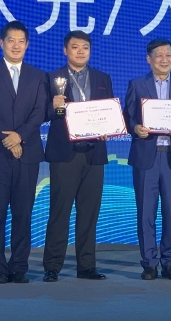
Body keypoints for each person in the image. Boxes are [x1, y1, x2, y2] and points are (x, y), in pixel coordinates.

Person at [0, 20, 47, 284]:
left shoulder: (38, 76)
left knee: (23, 213)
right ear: (1, 43)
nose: (16, 45)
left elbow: (39, 112)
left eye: (21, 41)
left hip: (28, 153)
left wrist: (19, 137)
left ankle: (19, 266)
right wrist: (8, 139)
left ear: (27, 45)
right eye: (11, 40)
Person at [42, 30, 114, 282]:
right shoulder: (52, 78)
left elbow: (109, 113)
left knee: (89, 212)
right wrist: (53, 107)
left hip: (94, 153)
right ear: (65, 50)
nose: (80, 51)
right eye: (75, 47)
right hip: (65, 153)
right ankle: (52, 266)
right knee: (60, 211)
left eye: (85, 47)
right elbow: (42, 113)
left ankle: (86, 266)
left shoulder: (103, 78)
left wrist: (108, 128)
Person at [123, 38, 171, 281]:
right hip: (147, 158)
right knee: (146, 213)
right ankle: (149, 263)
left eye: (169, 55)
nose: (165, 60)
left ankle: (170, 262)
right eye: (159, 55)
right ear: (149, 59)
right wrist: (136, 128)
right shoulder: (137, 85)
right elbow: (128, 117)